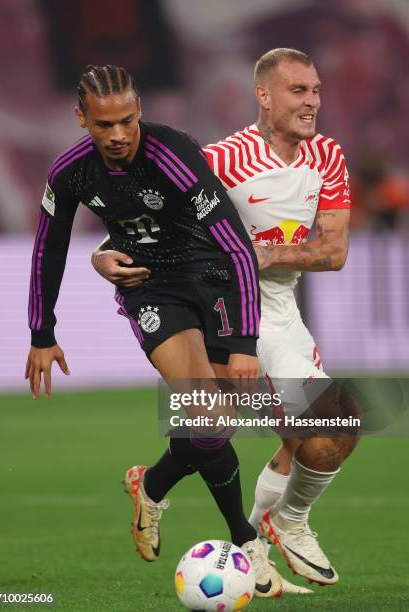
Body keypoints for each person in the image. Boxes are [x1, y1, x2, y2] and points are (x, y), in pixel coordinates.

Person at [92, 49, 359, 589]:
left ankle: (284, 520)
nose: (312, 103)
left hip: (279, 312)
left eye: (316, 91)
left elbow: (333, 252)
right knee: (216, 428)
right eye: (298, 92)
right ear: (263, 95)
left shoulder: (327, 156)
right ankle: (248, 543)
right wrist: (103, 252)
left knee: (332, 431)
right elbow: (151, 215)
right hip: (215, 307)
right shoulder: (221, 159)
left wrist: (259, 254)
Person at [25, 64, 282, 598]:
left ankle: (153, 483)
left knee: (216, 427)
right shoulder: (69, 172)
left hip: (211, 278)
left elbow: (235, 247)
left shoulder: (174, 154)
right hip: (150, 287)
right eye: (103, 125)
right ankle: (245, 539)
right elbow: (49, 247)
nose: (118, 135)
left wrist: (243, 345)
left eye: (127, 120)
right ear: (81, 119)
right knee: (209, 415)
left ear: (140, 109)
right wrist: (41, 332)